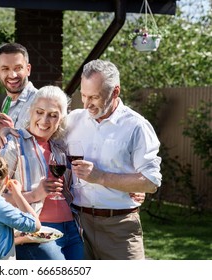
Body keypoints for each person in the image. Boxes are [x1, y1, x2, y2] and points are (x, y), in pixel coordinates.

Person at [67, 59, 162, 260]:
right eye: (83, 96)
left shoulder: (136, 126)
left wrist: (100, 177)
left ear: (115, 92)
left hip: (119, 228)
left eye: (94, 97)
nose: (86, 104)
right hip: (77, 225)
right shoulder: (74, 120)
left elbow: (151, 181)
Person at [0, 85, 84, 260]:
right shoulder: (13, 144)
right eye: (40, 112)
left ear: (61, 120)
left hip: (71, 229)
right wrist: (34, 194)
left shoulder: (59, 150)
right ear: (30, 111)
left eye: (53, 115)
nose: (45, 120)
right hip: (35, 232)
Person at [0, 43, 38, 130]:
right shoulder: (7, 101)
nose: (12, 75)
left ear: (28, 70)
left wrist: (10, 131)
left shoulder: (40, 101)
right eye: (5, 69)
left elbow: (49, 143)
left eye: (18, 68)